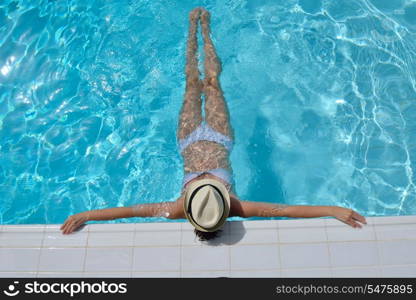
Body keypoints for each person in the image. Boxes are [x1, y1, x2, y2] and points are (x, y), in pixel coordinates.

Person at [61, 8, 367, 239]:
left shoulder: (178, 209)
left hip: (188, 139)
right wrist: (331, 209)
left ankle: (192, 27)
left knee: (192, 82)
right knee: (213, 82)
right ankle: (205, 28)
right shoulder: (233, 206)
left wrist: (85, 214)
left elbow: (126, 212)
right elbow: (285, 211)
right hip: (220, 138)